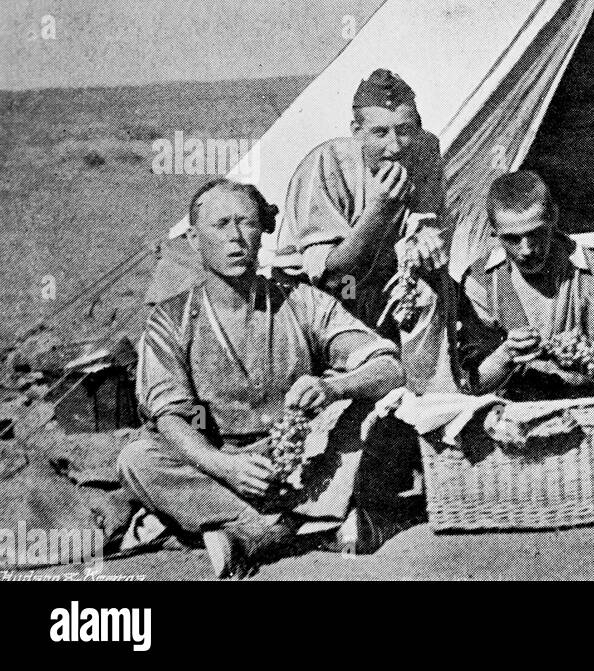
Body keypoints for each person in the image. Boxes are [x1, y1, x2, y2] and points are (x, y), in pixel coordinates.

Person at [118, 180, 406, 578]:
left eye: (247, 223)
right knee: (138, 458)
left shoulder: (301, 301)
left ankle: (254, 530)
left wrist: (332, 386)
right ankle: (292, 525)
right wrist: (223, 465)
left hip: (305, 455)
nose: (236, 238)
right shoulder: (171, 320)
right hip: (221, 461)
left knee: (372, 413)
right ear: (193, 238)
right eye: (221, 225)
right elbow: (170, 414)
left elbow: (389, 367)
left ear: (262, 232)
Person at [275, 68, 450, 394]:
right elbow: (331, 271)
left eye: (406, 130)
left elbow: (426, 220)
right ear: (356, 131)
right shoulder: (327, 164)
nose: (396, 147)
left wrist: (426, 236)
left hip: (378, 286)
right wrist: (379, 211)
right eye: (380, 133)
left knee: (428, 287)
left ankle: (430, 396)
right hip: (315, 297)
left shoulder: (424, 150)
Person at [456, 171, 594, 401]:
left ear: (553, 216)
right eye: (512, 238)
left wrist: (593, 365)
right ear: (494, 234)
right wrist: (505, 356)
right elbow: (470, 384)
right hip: (508, 415)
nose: (527, 250)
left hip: (587, 407)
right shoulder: (480, 281)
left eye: (535, 234)